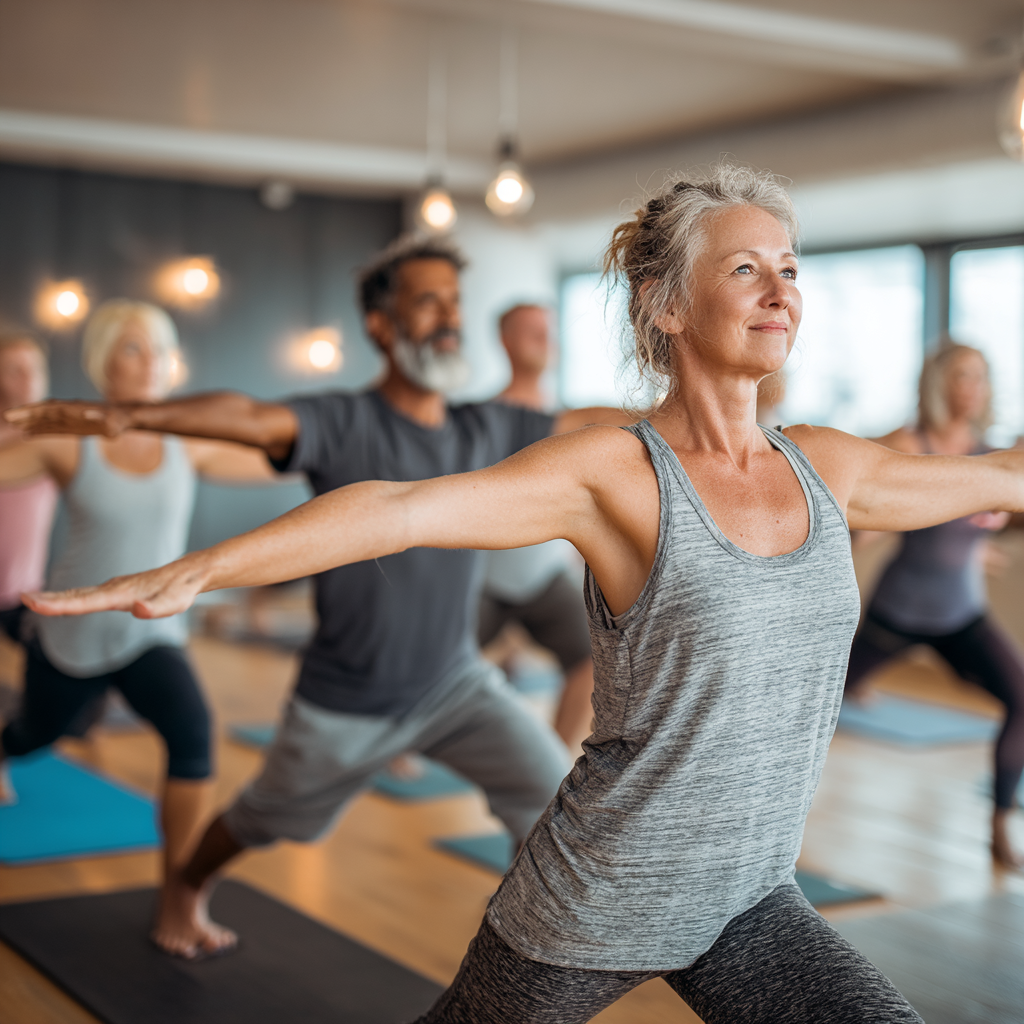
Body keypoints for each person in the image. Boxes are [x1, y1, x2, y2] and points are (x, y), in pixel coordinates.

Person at [18, 164, 1010, 1021]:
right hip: (597, 898)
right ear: (664, 305)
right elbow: (395, 510)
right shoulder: (615, 474)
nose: (778, 288)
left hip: (749, 897)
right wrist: (198, 567)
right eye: (744, 267)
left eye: (789, 268)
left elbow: (1008, 473)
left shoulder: (834, 467)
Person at [8, 235, 624, 961]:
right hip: (345, 703)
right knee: (260, 822)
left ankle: (528, 950)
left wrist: (704, 412)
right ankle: (184, 884)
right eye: (428, 302)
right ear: (381, 325)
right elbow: (246, 414)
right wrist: (138, 416)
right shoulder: (344, 420)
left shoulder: (481, 426)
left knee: (551, 795)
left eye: (454, 303)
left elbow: (589, 422)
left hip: (456, 685)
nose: (448, 318)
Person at [0, 300, 275, 924]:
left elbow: (275, 457)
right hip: (72, 630)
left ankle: (179, 898)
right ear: (103, 365)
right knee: (35, 733)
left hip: (153, 630)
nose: (150, 363)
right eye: (132, 349)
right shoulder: (73, 443)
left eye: (159, 349)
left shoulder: (188, 444)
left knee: (192, 735)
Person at [845, 341, 1024, 868]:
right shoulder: (910, 441)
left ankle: (998, 828)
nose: (974, 389)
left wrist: (976, 548)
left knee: (1022, 700)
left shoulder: (988, 456)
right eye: (964, 376)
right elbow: (867, 511)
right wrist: (857, 537)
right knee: (820, 701)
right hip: (897, 612)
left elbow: (982, 519)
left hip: (960, 613)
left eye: (982, 377)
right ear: (940, 384)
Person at [479, 304, 595, 752]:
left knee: (591, 661)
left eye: (549, 331)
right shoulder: (481, 418)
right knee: (428, 661)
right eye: (532, 331)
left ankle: (551, 759)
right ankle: (398, 752)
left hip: (545, 577)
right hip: (484, 579)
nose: (544, 339)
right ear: (506, 341)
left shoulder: (572, 422)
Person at [0, 331, 57, 646]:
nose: (29, 379)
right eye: (15, 370)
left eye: (35, 369)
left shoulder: (55, 440)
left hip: (23, 592)